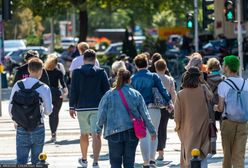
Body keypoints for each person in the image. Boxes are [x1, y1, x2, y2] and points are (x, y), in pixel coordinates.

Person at [96, 69, 156, 168]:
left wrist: (98, 129)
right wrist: (152, 130)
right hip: (132, 131)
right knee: (129, 162)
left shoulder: (109, 95)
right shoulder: (136, 94)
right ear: (129, 80)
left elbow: (102, 113)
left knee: (115, 163)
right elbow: (145, 114)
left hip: (113, 132)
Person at [69, 49, 110, 168]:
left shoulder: (76, 72)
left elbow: (74, 90)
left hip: (82, 107)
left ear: (83, 59)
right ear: (95, 59)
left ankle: (84, 159)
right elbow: (106, 91)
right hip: (98, 107)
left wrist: (72, 106)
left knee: (84, 134)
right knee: (96, 134)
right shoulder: (101, 72)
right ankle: (96, 162)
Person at [131, 54, 173, 168]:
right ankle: (152, 160)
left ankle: (145, 162)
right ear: (148, 64)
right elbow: (163, 90)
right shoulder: (154, 76)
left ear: (136, 65)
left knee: (143, 136)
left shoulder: (133, 78)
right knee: (154, 133)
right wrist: (169, 102)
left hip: (139, 111)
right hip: (154, 108)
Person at [9, 58, 52, 164]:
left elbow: (10, 108)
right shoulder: (44, 87)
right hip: (38, 126)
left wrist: (17, 121)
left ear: (28, 70)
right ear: (41, 71)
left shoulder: (18, 85)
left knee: (21, 161)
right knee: (37, 161)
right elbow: (48, 111)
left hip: (21, 127)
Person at [214, 55, 248, 168]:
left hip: (228, 123)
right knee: (239, 155)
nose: (222, 67)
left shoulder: (223, 85)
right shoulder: (246, 83)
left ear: (227, 67)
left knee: (227, 156)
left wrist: (215, 108)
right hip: (243, 123)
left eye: (223, 65)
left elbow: (221, 108)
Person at [174, 67, 212, 168]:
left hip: (187, 128)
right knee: (202, 153)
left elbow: (177, 116)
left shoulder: (180, 94)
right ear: (198, 78)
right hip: (203, 127)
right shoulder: (203, 89)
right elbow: (211, 96)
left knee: (188, 153)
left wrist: (177, 127)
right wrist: (203, 81)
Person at [154, 59, 177, 161]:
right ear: (165, 67)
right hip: (166, 108)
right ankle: (161, 153)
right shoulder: (170, 79)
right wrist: (174, 106)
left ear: (156, 68)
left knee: (154, 129)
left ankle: (152, 150)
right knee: (162, 129)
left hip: (154, 106)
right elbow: (173, 94)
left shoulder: (152, 78)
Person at [44, 54, 68, 142]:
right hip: (57, 94)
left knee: (51, 115)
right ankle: (54, 133)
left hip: (47, 93)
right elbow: (63, 84)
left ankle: (52, 133)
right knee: (55, 114)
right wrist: (65, 93)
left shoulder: (44, 71)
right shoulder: (58, 72)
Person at [206, 58, 225, 124]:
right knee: (222, 125)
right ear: (219, 67)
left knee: (211, 126)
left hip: (210, 103)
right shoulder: (223, 78)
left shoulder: (206, 78)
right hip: (221, 103)